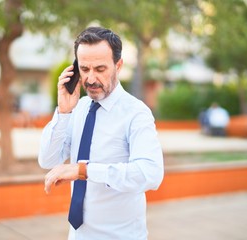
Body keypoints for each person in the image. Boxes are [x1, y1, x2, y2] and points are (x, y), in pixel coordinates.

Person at [38, 27, 164, 240]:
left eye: (100, 69)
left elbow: (150, 173)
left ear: (118, 65)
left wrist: (84, 170)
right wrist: (64, 112)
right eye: (84, 69)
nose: (90, 78)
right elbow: (48, 160)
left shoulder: (136, 113)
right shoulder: (76, 108)